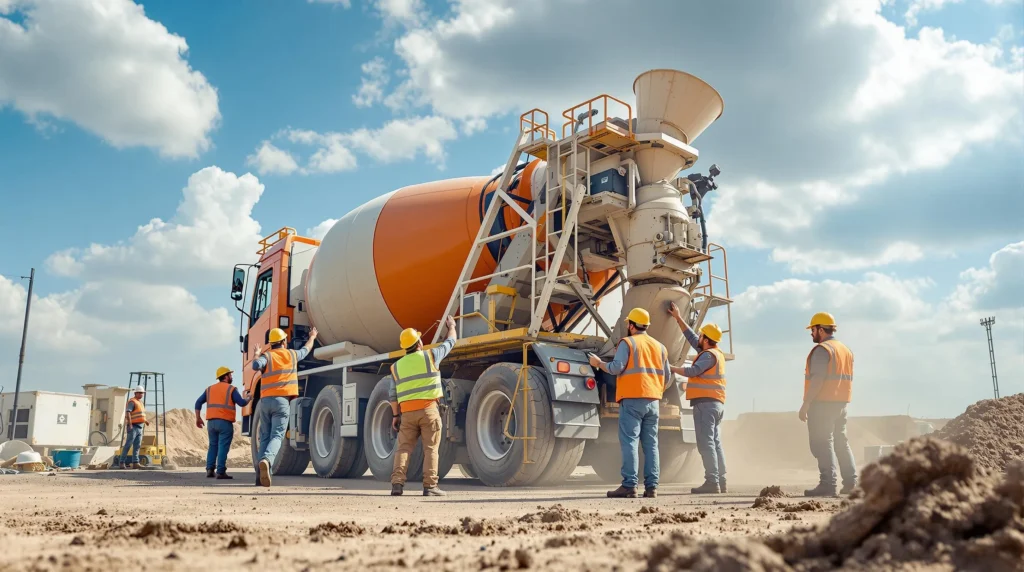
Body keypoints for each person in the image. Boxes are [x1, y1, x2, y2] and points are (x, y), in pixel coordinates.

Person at [589, 308, 671, 499]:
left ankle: (629, 485)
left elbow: (616, 368)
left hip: (633, 400)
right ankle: (652, 488)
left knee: (630, 442)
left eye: (628, 323)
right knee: (651, 444)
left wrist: (599, 364)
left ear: (632, 325)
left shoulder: (628, 343)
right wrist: (654, 389)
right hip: (653, 401)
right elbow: (667, 378)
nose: (627, 326)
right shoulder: (660, 347)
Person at [389, 315, 458, 497]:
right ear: (419, 342)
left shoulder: (396, 367)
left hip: (407, 414)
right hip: (429, 410)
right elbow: (451, 341)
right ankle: (430, 486)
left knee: (403, 449)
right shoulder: (431, 356)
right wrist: (451, 326)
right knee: (430, 449)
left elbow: (393, 395)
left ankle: (397, 484)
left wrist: (395, 416)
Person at [668, 302, 727, 494]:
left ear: (707, 339)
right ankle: (720, 481)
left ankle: (712, 482)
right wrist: (678, 318)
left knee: (706, 443)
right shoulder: (713, 353)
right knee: (715, 443)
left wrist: (671, 368)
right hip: (714, 404)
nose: (698, 338)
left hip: (706, 405)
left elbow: (693, 370)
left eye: (701, 335)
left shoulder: (708, 356)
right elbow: (692, 338)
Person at [251, 326, 319, 487]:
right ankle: (267, 460)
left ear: (271, 343)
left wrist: (256, 354)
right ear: (283, 341)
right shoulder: (291, 354)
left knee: (265, 436)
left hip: (265, 402)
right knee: (277, 436)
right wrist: (313, 337)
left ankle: (258, 477)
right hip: (282, 402)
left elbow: (255, 366)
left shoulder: (267, 356)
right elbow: (306, 350)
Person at [799, 312, 857, 497]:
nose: (811, 333)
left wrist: (806, 403)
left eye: (813, 329)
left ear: (821, 329)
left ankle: (828, 484)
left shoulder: (823, 350)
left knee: (822, 442)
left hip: (823, 403)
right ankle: (851, 483)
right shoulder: (845, 349)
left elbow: (818, 378)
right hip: (841, 403)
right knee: (841, 442)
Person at [195, 366, 250, 480]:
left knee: (213, 446)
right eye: (230, 375)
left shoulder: (209, 389)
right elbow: (241, 403)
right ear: (225, 376)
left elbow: (198, 402)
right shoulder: (231, 389)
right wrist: (249, 398)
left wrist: (198, 418)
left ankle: (210, 470)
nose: (232, 376)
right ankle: (220, 472)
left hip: (211, 423)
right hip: (224, 422)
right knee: (223, 447)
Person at [120, 387, 151, 469]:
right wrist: (130, 424)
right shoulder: (132, 401)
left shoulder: (140, 403)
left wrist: (145, 421)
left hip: (140, 427)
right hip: (133, 426)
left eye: (142, 393)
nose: (141, 394)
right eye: (140, 393)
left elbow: (140, 414)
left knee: (137, 446)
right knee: (128, 444)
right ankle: (122, 462)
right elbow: (128, 412)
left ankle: (135, 462)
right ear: (135, 393)